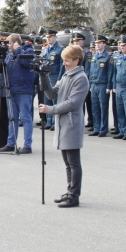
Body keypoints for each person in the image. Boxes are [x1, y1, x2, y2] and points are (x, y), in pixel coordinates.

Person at [38, 44, 90, 208]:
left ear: (77, 60)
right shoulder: (67, 75)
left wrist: (50, 110)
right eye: (64, 60)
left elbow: (73, 103)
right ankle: (69, 192)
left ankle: (74, 196)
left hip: (71, 123)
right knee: (68, 162)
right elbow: (53, 94)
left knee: (74, 162)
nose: (64, 63)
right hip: (64, 123)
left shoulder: (80, 78)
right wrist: (43, 77)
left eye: (67, 60)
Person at [0, 34, 35, 153]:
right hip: (11, 89)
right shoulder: (9, 55)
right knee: (12, 118)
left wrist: (18, 50)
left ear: (15, 42)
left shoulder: (27, 50)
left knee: (25, 118)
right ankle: (11, 143)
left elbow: (26, 63)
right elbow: (1, 70)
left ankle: (27, 145)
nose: (7, 45)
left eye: (9, 43)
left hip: (24, 89)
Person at [88, 35, 111, 137]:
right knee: (95, 107)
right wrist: (90, 84)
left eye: (99, 43)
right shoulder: (94, 57)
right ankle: (96, 128)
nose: (97, 45)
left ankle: (103, 128)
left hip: (103, 85)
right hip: (94, 84)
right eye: (96, 44)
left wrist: (108, 86)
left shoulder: (108, 58)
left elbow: (110, 73)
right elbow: (91, 72)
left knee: (103, 108)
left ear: (104, 44)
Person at [40, 30, 64, 130]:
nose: (48, 38)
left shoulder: (60, 49)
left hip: (54, 76)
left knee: (54, 100)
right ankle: (48, 122)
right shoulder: (45, 49)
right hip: (46, 76)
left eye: (50, 36)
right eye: (47, 37)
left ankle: (55, 122)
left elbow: (63, 66)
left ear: (55, 37)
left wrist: (59, 78)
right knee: (47, 100)